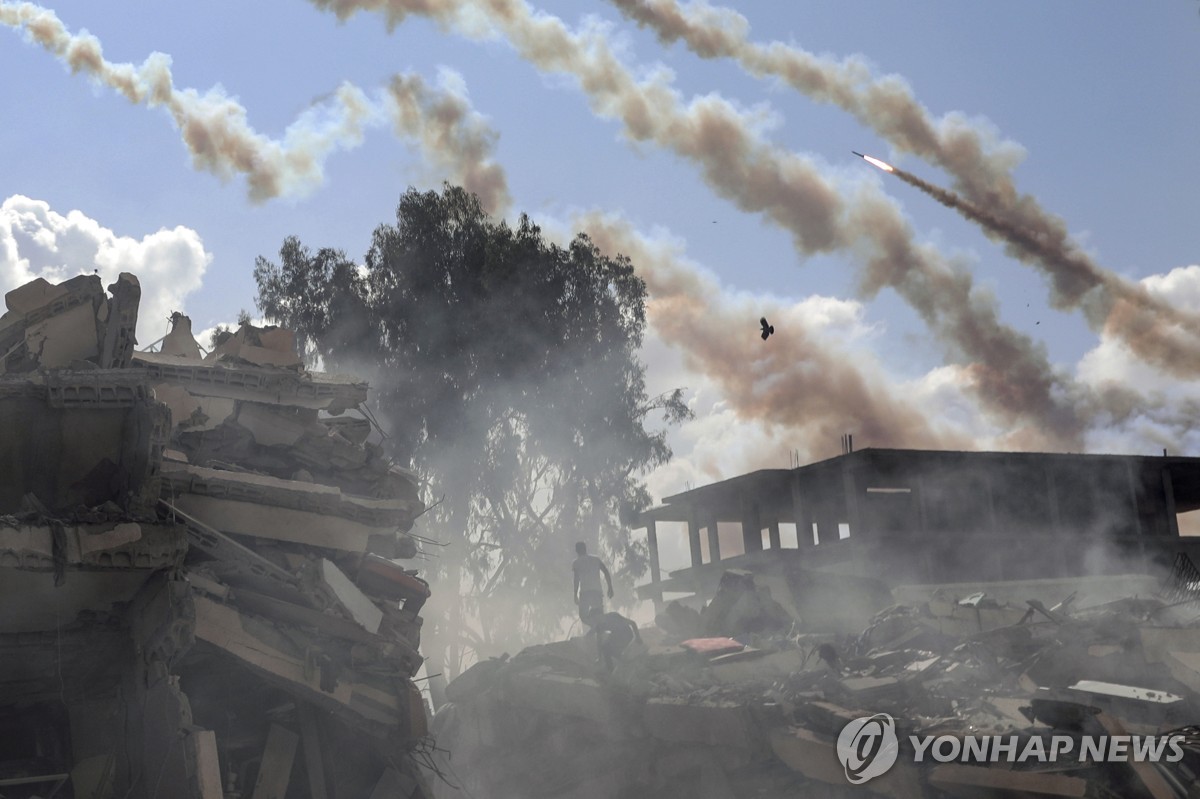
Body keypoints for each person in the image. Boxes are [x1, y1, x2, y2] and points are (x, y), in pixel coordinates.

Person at [572, 541, 613, 626]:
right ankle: (599, 629)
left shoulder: (576, 563)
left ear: (576, 551)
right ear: (585, 549)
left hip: (585, 593)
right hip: (596, 591)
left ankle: (596, 627)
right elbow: (605, 571)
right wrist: (610, 586)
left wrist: (575, 594)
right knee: (599, 615)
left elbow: (576, 580)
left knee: (583, 616)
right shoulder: (596, 559)